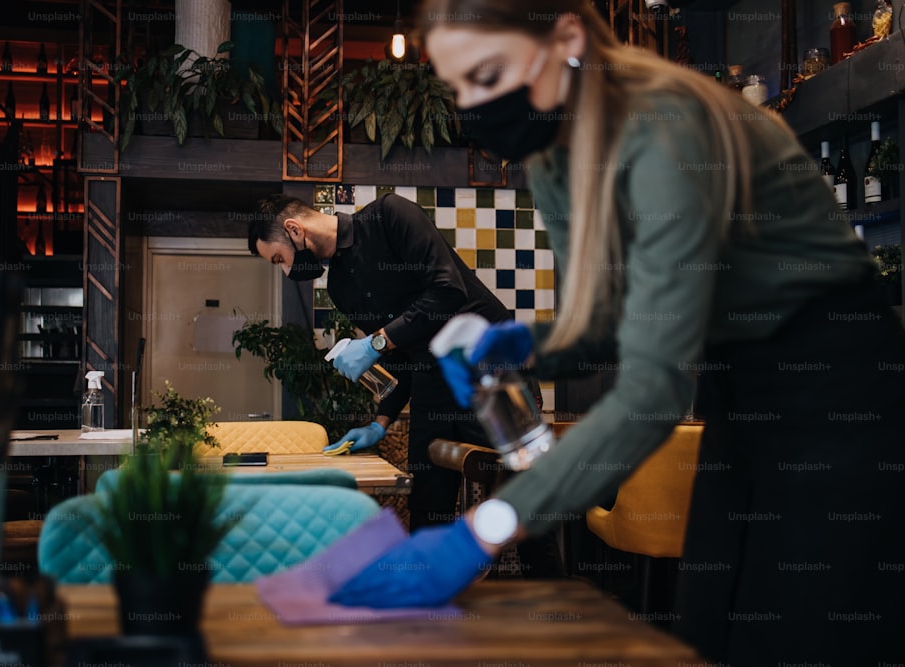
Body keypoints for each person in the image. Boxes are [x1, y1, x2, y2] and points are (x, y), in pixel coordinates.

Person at [327, 2, 905, 666]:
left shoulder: (664, 123)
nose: (473, 106)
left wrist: (479, 532)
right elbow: (606, 318)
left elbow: (652, 391)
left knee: (806, 633)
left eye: (488, 74)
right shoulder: (552, 161)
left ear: (567, 35)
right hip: (736, 390)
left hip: (841, 382)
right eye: (460, 87)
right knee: (710, 624)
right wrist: (532, 341)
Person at [247, 192, 562, 575]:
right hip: (433, 384)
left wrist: (376, 342)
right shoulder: (340, 289)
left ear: (295, 230)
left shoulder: (390, 216)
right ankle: (433, 623)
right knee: (427, 509)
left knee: (527, 507)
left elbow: (448, 290)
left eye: (279, 259)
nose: (285, 271)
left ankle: (555, 618)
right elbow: (405, 364)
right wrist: (379, 422)